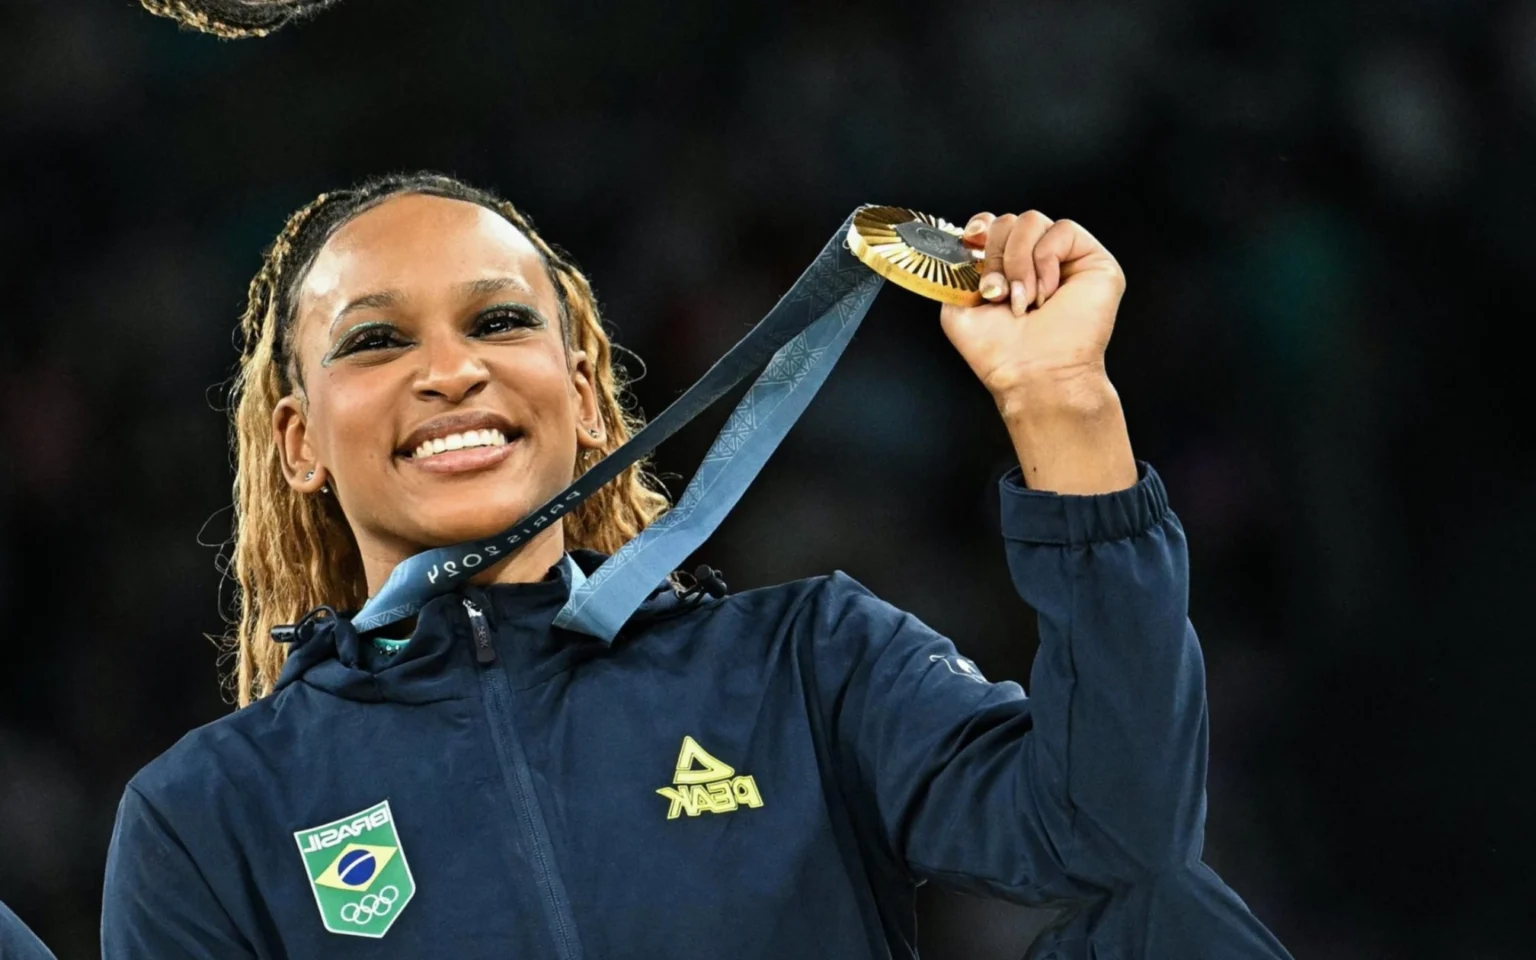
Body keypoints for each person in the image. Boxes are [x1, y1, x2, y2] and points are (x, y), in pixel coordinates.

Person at [100, 171, 1292, 958]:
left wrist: (1062, 401)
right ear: (300, 442)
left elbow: (1123, 837)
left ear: (580, 395)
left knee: (1166, 924)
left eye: (501, 322)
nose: (451, 369)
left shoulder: (803, 663)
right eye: (376, 341)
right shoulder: (211, 814)